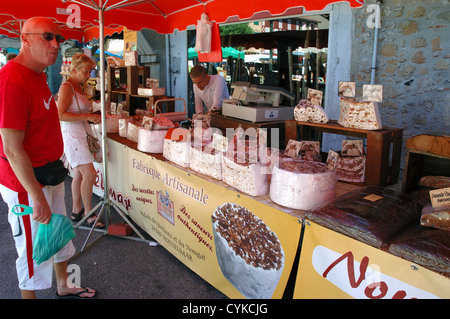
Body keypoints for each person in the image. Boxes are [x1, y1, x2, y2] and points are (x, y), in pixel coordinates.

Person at [0, 16, 97, 299]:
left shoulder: (38, 74)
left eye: (58, 38)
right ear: (24, 39)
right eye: (46, 37)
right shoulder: (12, 80)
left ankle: (64, 285)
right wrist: (36, 195)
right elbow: (11, 147)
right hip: (27, 184)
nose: (55, 44)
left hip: (51, 172)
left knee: (57, 234)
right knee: (31, 251)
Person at [57, 53, 103, 229]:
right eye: (86, 71)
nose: (88, 75)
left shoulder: (78, 86)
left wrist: (90, 117)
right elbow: (60, 114)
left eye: (90, 71)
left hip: (81, 133)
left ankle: (76, 210)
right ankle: (89, 214)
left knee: (78, 174)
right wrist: (88, 116)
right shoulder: (67, 87)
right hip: (73, 136)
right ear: (74, 70)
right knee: (90, 174)